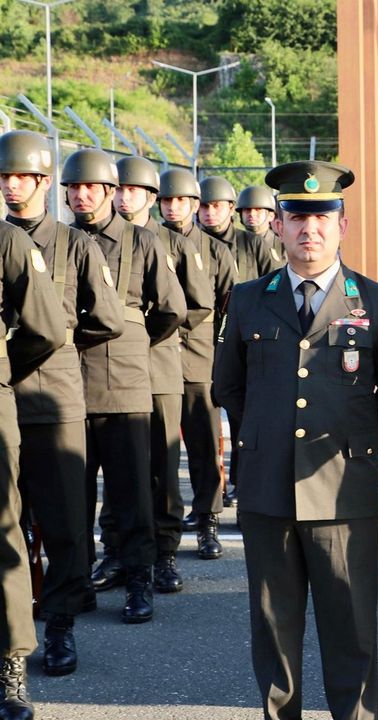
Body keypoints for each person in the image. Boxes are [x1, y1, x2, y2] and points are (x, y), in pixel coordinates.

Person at [213, 160, 378, 720]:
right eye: (297, 217)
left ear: (342, 226)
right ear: (277, 225)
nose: (311, 229)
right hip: (267, 489)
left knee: (350, 627)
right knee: (274, 630)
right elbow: (227, 385)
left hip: (344, 490)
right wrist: (262, 437)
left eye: (323, 217)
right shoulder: (248, 298)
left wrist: (354, 439)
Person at [0, 130, 122, 678]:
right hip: (7, 402)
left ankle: (61, 625)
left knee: (65, 519)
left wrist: (55, 345)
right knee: (11, 522)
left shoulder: (77, 246)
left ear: (43, 183)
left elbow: (108, 320)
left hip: (53, 398)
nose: (9, 187)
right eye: (3, 178)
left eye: (19, 177)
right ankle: (17, 623)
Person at [66, 148, 186, 625]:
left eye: (90, 187)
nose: (81, 195)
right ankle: (78, 579)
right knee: (74, 491)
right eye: (73, 189)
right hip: (69, 382)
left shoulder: (141, 242)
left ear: (110, 192)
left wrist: (133, 340)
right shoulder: (61, 241)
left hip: (125, 382)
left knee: (132, 488)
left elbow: (171, 308)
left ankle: (140, 577)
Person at [113, 157, 216, 590]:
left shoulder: (169, 243)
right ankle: (120, 552)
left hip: (158, 365)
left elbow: (195, 305)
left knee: (162, 464)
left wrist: (145, 337)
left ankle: (166, 552)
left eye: (132, 190)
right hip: (112, 372)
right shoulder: (94, 239)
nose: (123, 196)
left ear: (149, 197)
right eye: (118, 189)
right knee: (119, 465)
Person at [0, 218, 67, 720]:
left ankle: (10, 662)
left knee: (4, 531)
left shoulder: (8, 241)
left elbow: (46, 326)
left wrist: (3, 367)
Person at [158, 169, 237, 528]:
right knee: (161, 448)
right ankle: (165, 520)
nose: (173, 208)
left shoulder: (217, 251)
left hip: (199, 357)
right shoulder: (148, 240)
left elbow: (228, 312)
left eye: (181, 201)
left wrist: (224, 364)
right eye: (167, 200)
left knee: (205, 445)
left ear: (193, 204)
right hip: (156, 356)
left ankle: (208, 517)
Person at [198, 176, 276, 283]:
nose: (210, 212)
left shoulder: (253, 243)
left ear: (231, 208)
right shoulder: (189, 243)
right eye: (204, 206)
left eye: (217, 206)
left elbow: (273, 284)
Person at [237, 184, 283, 266]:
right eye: (247, 210)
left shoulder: (283, 247)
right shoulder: (232, 245)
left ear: (271, 215)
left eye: (258, 210)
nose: (252, 214)